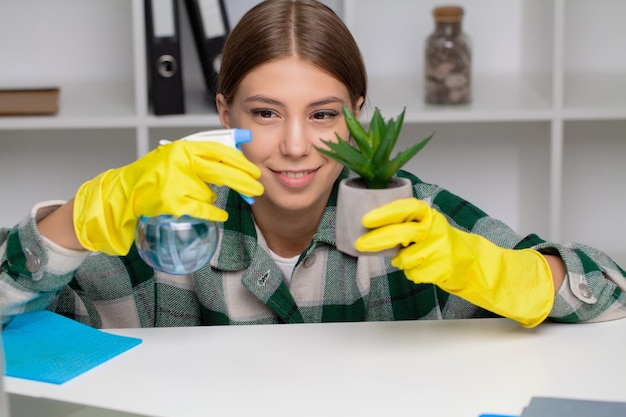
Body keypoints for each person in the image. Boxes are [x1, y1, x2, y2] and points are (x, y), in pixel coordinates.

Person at [1, 0, 625, 329]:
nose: (296, 146)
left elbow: (609, 287)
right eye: (267, 114)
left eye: (323, 115)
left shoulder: (410, 219)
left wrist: (492, 271)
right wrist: (78, 218)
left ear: (358, 113)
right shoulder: (168, 225)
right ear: (225, 113)